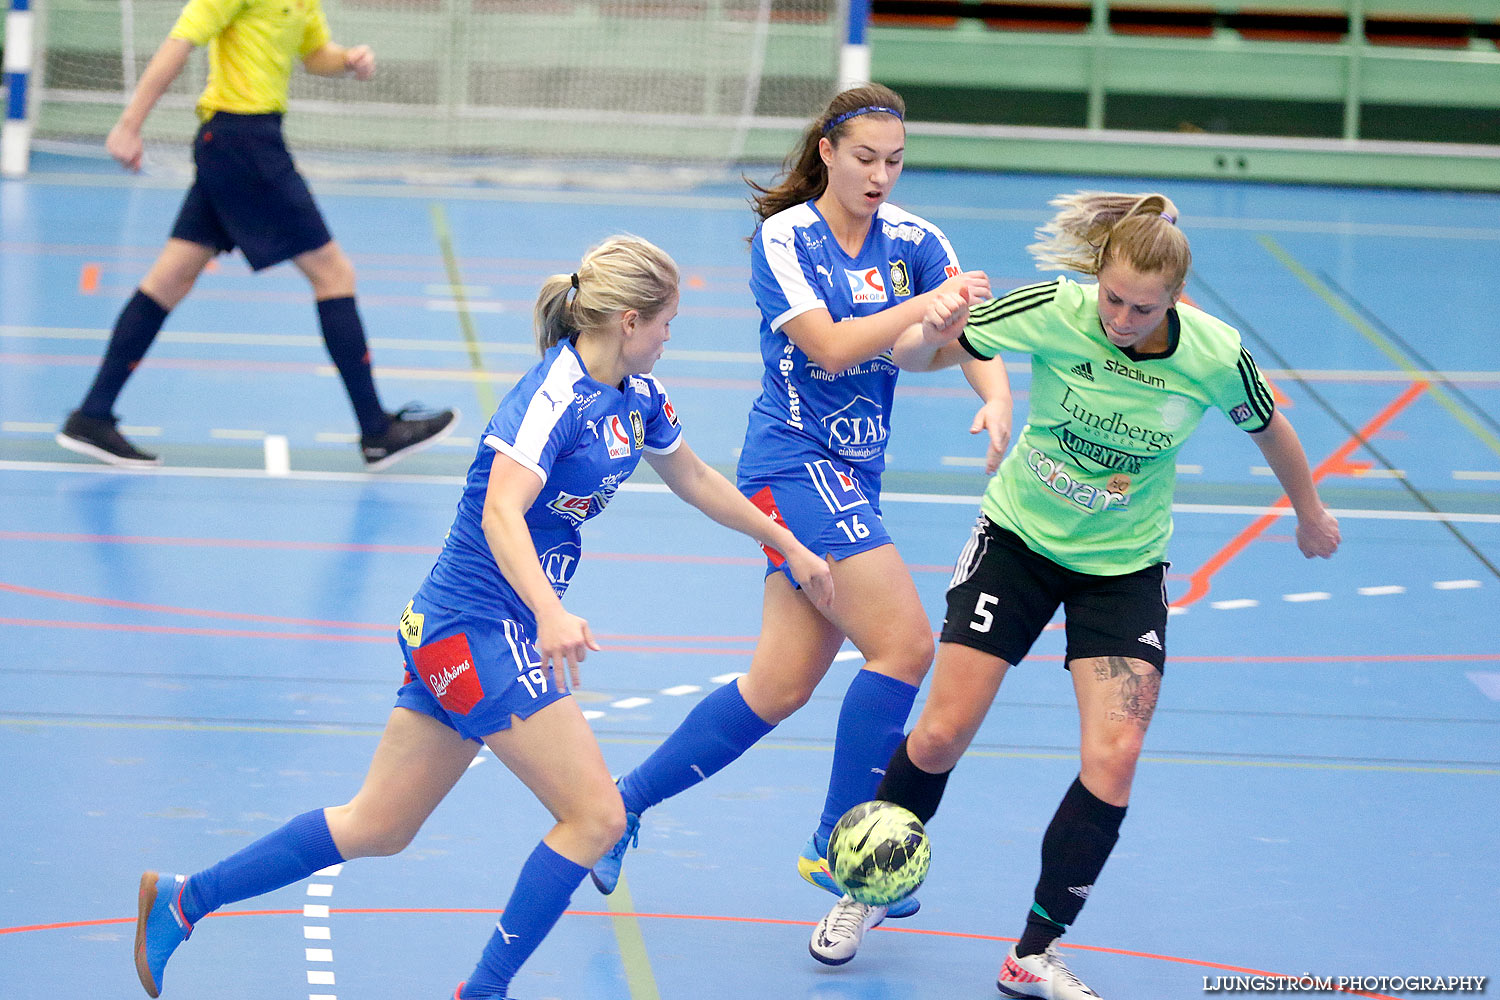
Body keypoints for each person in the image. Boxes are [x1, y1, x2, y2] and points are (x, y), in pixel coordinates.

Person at [130, 236, 835, 1000]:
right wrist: (550, 613)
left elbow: (694, 477)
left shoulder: (636, 399)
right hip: (475, 624)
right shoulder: (552, 396)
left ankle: (183, 898)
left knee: (379, 826)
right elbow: (502, 511)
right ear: (629, 322)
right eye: (667, 322)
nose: (671, 337)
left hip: (465, 631)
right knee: (597, 818)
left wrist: (784, 542)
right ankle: (485, 991)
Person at [868, 191, 1343, 998]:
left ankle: (1034, 951)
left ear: (1176, 302)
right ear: (1098, 278)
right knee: (942, 735)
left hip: (1123, 566)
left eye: (1142, 307)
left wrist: (1309, 510)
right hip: (1017, 543)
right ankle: (865, 885)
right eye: (1113, 297)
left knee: (1115, 757)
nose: (1122, 317)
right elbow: (917, 359)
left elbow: (1271, 429)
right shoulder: (1057, 307)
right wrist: (935, 328)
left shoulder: (1214, 353)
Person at [585, 83, 1010, 965]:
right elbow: (832, 346)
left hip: (855, 471)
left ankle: (615, 809)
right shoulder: (787, 239)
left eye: (895, 161)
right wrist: (922, 313)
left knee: (777, 688)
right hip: (790, 466)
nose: (881, 176)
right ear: (827, 151)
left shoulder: (917, 242)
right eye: (865, 159)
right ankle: (839, 840)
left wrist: (992, 390)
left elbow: (936, 347)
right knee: (904, 647)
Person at [57, 0, 455, 470]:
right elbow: (180, 42)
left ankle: (92, 416)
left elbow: (314, 53)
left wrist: (346, 59)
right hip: (243, 144)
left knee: (169, 280)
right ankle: (376, 430)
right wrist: (128, 124)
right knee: (334, 274)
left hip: (240, 144)